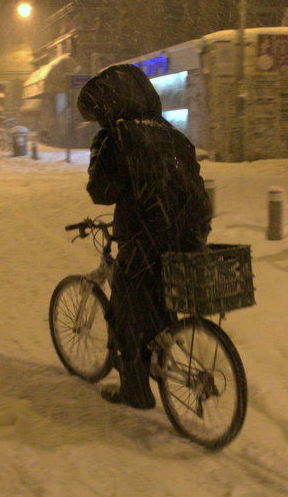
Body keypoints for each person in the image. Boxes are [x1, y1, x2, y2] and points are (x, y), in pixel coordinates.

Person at [77, 64, 212, 409]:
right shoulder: (171, 133)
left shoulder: (115, 137)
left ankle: (135, 390)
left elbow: (102, 192)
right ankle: (160, 355)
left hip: (147, 236)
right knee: (158, 298)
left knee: (126, 310)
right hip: (191, 231)